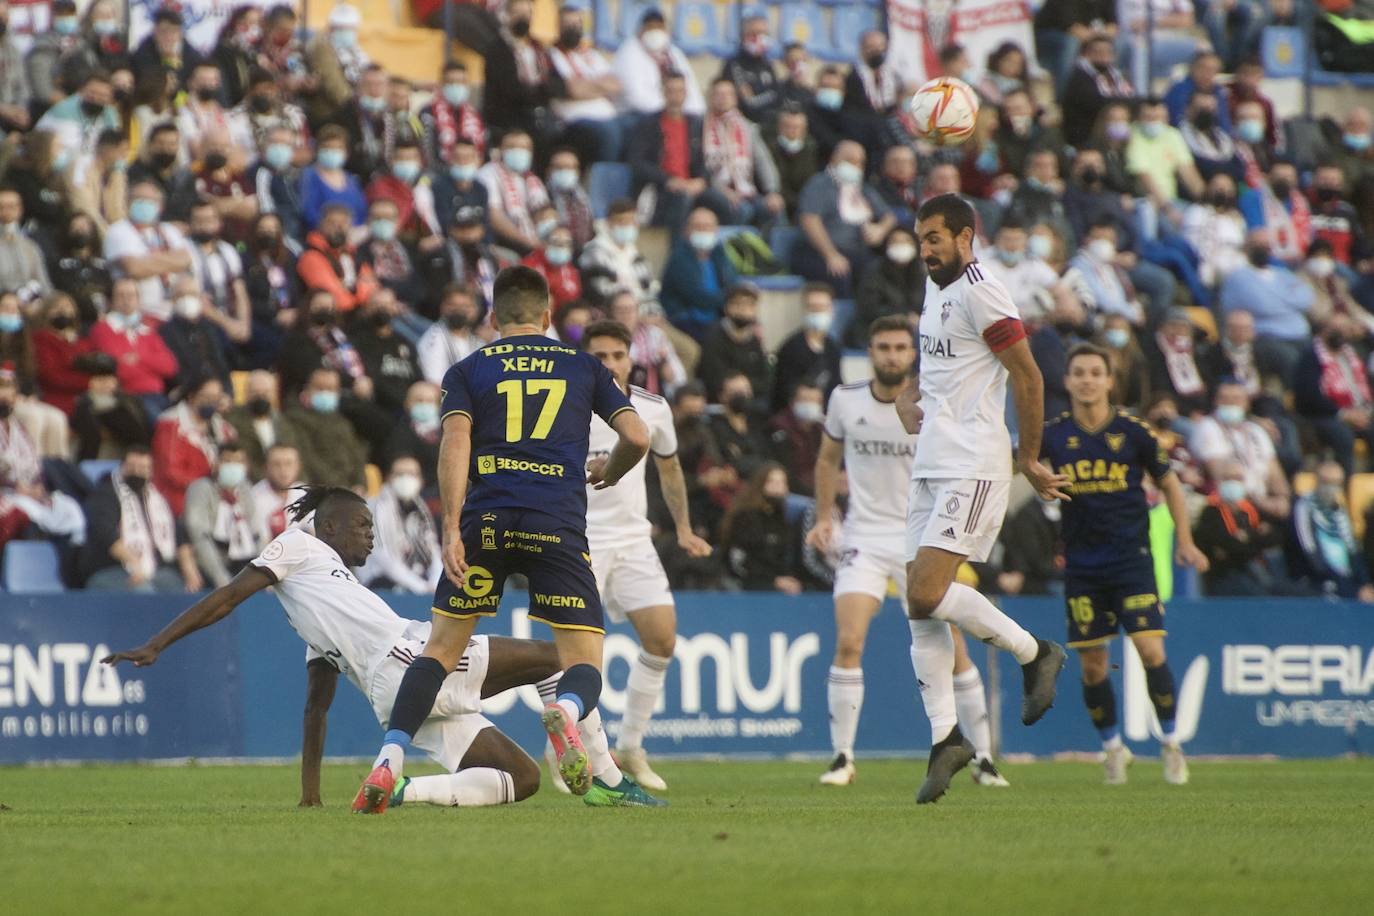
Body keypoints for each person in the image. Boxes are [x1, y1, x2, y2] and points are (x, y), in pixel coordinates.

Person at [104, 486, 650, 809]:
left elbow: (317, 705)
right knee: (565, 658)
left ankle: (401, 788)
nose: (371, 536)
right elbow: (227, 596)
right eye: (363, 526)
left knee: (523, 780)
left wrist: (309, 795)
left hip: (389, 694)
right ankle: (600, 772)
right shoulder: (297, 544)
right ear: (331, 525)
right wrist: (157, 644)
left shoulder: (313, 613)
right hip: (416, 659)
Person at [353, 266, 651, 813]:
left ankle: (389, 760)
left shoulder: (467, 368)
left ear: (492, 318)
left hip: (485, 523)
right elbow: (637, 435)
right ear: (547, 316)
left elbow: (455, 442)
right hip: (555, 522)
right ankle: (565, 710)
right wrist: (613, 469)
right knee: (582, 659)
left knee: (440, 651)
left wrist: (449, 527)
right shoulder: (583, 366)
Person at [896, 194, 1067, 805]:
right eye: (921, 237)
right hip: (932, 460)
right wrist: (912, 396)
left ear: (967, 236)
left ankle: (1035, 652)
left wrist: (1028, 455)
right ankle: (946, 738)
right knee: (916, 607)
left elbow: (1027, 375)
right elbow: (944, 365)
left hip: (972, 462)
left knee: (926, 590)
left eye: (936, 237)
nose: (926, 248)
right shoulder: (934, 288)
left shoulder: (982, 289)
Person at [807, 313, 1008, 788]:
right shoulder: (844, 400)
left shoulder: (935, 404)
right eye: (883, 347)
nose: (892, 355)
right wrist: (822, 516)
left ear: (912, 353)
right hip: (864, 537)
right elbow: (826, 459)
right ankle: (842, 758)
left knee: (956, 650)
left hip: (923, 539)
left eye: (900, 347)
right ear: (870, 352)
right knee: (849, 640)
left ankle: (984, 759)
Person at [1042, 344, 1208, 785]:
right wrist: (1036, 481)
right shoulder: (1054, 435)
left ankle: (1171, 744)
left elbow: (1170, 485)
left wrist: (1184, 541)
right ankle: (1113, 749)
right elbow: (1024, 467)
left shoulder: (1134, 432)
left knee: (1151, 651)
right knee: (1093, 665)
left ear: (1109, 380)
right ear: (1068, 380)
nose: (1087, 380)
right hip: (1081, 565)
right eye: (1079, 372)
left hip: (1131, 561)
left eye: (1096, 372)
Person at [579, 320, 712, 792]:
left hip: (634, 540)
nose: (610, 364)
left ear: (631, 358)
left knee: (662, 639)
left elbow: (670, 466)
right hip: (580, 540)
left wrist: (682, 529)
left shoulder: (651, 407)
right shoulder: (564, 407)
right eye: (600, 356)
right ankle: (572, 754)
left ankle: (631, 746)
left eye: (618, 355)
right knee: (578, 656)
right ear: (585, 358)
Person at [78, 444, 201, 591]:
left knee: (181, 590)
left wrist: (190, 570)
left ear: (150, 472)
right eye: (132, 466)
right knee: (144, 591)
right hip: (110, 569)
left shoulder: (156, 498)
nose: (137, 471)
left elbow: (180, 536)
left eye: (143, 468)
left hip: (156, 570)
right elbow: (106, 534)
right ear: (122, 466)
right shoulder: (104, 494)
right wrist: (133, 563)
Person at [795, 141, 894, 298]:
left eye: (859, 162)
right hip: (819, 252)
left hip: (856, 250)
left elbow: (889, 216)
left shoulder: (862, 188)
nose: (854, 165)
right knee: (840, 274)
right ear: (834, 158)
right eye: (849, 160)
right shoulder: (819, 184)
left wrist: (880, 229)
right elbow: (810, 220)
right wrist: (830, 255)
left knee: (878, 272)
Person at [1189, 380, 1291, 521]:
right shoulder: (1207, 427)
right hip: (1232, 502)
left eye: (1236, 399)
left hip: (1263, 501)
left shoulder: (1256, 431)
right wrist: (1261, 502)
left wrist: (1282, 498)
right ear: (1215, 402)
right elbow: (1221, 475)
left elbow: (1275, 472)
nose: (1230, 403)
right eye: (1224, 399)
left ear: (1246, 403)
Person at [625, 71, 707, 233]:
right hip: (660, 187)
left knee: (728, 205)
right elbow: (638, 162)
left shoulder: (696, 124)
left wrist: (701, 180)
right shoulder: (648, 125)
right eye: (671, 91)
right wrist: (668, 180)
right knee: (682, 199)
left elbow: (704, 160)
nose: (675, 96)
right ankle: (676, 252)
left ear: (686, 93)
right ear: (663, 92)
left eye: (680, 91)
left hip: (690, 185)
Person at [87, 278, 179, 421]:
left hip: (158, 395)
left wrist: (139, 358)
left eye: (131, 296)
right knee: (162, 425)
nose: (127, 300)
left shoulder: (147, 330)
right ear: (111, 301)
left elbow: (170, 366)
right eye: (121, 296)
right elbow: (118, 368)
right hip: (128, 396)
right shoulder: (102, 329)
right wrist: (151, 362)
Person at [103, 179, 194, 322]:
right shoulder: (118, 230)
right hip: (140, 313)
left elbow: (186, 259)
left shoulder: (169, 230)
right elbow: (134, 268)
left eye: (150, 200)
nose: (144, 204)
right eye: (138, 199)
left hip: (174, 312)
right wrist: (170, 260)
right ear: (128, 202)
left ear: (160, 206)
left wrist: (149, 260)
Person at [697, 77, 783, 229]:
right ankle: (733, 250)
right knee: (743, 210)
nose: (723, 98)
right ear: (710, 98)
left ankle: (770, 252)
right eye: (718, 94)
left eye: (728, 94)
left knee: (775, 208)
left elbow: (763, 160)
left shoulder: (747, 127)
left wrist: (772, 191)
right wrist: (724, 191)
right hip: (712, 186)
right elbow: (699, 166)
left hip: (744, 187)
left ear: (735, 99)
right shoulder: (699, 126)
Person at [1193, 458, 1286, 596]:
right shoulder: (1210, 512)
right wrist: (1256, 537)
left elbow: (1275, 536)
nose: (1233, 483)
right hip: (1225, 576)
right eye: (1228, 478)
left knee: (1283, 591)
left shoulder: (1251, 509)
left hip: (1256, 570)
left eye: (1238, 478)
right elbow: (1227, 544)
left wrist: (1248, 536)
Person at [151, 375, 237, 516]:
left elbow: (235, 456)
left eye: (216, 398)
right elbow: (171, 472)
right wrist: (207, 484)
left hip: (215, 501)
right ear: (191, 396)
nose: (211, 402)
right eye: (206, 397)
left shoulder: (222, 427)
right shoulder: (170, 425)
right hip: (178, 502)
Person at [1290, 461, 1374, 601]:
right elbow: (1312, 554)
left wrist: (1364, 584)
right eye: (1326, 482)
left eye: (1336, 483)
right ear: (1316, 481)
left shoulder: (1339, 512)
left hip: (1346, 580)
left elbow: (1353, 550)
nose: (1330, 488)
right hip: (1318, 579)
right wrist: (1352, 589)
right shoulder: (1303, 507)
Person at [183, 442, 264, 589]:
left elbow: (257, 532)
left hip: (243, 560)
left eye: (238, 461)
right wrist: (221, 578)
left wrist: (264, 574)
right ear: (216, 463)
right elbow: (200, 537)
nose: (233, 466)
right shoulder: (200, 488)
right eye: (227, 461)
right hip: (211, 564)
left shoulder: (245, 489)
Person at [358, 455, 441, 593]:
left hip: (418, 580)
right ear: (390, 477)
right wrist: (421, 588)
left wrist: (435, 582)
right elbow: (382, 556)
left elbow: (432, 548)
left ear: (421, 480)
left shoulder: (420, 507)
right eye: (400, 474)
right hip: (381, 582)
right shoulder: (376, 506)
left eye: (412, 474)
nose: (406, 478)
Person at [720, 462, 803, 593]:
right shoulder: (745, 517)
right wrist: (774, 581)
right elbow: (741, 559)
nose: (778, 487)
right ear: (760, 484)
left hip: (781, 584)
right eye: (771, 481)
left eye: (782, 482)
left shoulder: (784, 519)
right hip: (749, 585)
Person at [281, 367, 368, 491]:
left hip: (346, 492)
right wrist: (338, 487)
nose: (325, 393)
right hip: (317, 490)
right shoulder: (295, 419)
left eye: (330, 389)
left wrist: (360, 484)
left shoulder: (343, 423)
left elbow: (357, 457)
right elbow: (306, 458)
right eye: (320, 388)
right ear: (307, 390)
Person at [658, 207, 737, 341]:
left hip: (717, 319)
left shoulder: (719, 253)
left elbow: (733, 285)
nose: (703, 231)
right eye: (698, 227)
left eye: (707, 227)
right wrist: (727, 300)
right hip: (685, 321)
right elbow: (699, 298)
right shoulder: (679, 257)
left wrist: (733, 301)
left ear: (716, 230)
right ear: (687, 230)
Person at [613, 8, 705, 117]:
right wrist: (668, 111)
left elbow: (691, 87)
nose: (655, 32)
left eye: (659, 27)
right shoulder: (629, 51)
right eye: (650, 28)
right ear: (641, 30)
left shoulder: (673, 52)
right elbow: (636, 97)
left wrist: (696, 114)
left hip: (672, 113)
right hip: (636, 115)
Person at [477, 129, 549, 257]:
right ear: (501, 150)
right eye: (512, 147)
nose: (518, 152)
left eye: (524, 148)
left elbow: (544, 212)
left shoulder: (533, 179)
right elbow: (494, 216)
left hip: (534, 241)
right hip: (504, 241)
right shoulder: (488, 173)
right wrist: (528, 242)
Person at [578, 198, 658, 312]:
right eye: (622, 222)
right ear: (609, 224)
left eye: (632, 222)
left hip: (640, 314)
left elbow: (650, 290)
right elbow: (600, 291)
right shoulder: (594, 252)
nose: (628, 226)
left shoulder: (637, 256)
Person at [771, 283, 840, 414]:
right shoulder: (791, 348)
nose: (818, 312)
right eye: (813, 308)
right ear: (804, 310)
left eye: (822, 308)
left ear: (831, 310)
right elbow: (783, 392)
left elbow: (837, 386)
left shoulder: (833, 348)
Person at [851, 227, 923, 348]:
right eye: (895, 241)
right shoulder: (873, 272)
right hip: (875, 331)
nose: (900, 245)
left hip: (912, 333)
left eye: (906, 241)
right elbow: (869, 308)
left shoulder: (922, 274)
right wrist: (905, 316)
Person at [698, 284, 771, 405]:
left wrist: (747, 383)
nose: (744, 310)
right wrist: (732, 384)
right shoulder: (714, 337)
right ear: (727, 307)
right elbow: (710, 377)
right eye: (738, 304)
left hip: (750, 401)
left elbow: (764, 379)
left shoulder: (755, 339)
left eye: (750, 305)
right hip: (719, 403)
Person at [1061, 35, 1134, 150]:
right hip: (1086, 138)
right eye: (1097, 51)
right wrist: (1122, 101)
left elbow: (1132, 99)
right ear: (1085, 54)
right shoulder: (1079, 77)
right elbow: (1097, 103)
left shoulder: (1118, 76)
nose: (1103, 54)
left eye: (1107, 51)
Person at [420, 61, 486, 168]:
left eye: (461, 82)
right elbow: (427, 151)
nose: (456, 86)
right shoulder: (428, 112)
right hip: (440, 174)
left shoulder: (476, 115)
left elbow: (484, 150)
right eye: (450, 82)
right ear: (442, 84)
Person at [417, 285, 487, 385]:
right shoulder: (433, 339)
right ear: (443, 307)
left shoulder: (478, 342)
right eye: (453, 305)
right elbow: (435, 383)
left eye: (465, 306)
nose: (459, 310)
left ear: (475, 310)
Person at [718, 13, 780, 124]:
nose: (759, 38)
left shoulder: (768, 64)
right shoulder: (734, 64)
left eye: (763, 34)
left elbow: (778, 95)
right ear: (743, 36)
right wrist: (769, 96)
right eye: (754, 34)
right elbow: (747, 103)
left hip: (769, 124)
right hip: (742, 124)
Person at [767, 104, 816, 222]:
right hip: (779, 198)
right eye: (787, 126)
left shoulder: (812, 149)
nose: (791, 131)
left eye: (796, 127)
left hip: (804, 201)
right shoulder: (769, 148)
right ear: (779, 127)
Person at [249, 442, 304, 539]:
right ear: (266, 467)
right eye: (276, 464)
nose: (283, 470)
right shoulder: (254, 498)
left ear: (298, 466)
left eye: (289, 463)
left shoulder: (305, 495)